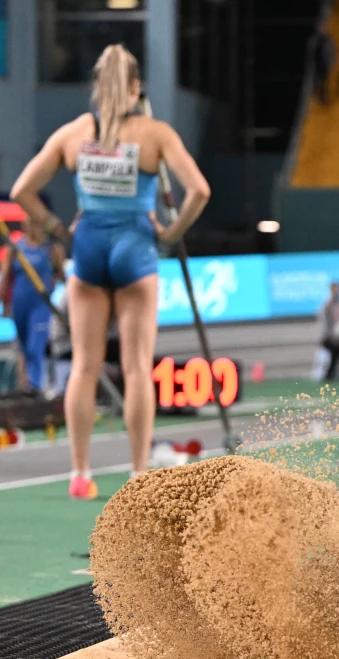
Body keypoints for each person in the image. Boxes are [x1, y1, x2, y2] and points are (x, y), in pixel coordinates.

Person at [11, 44, 210, 500]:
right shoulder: (155, 133)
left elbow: (23, 190)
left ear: (97, 88)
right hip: (136, 249)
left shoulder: (77, 132)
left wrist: (58, 230)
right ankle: (138, 472)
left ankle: (79, 473)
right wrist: (170, 233)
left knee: (83, 367)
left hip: (89, 248)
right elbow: (199, 189)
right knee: (138, 368)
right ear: (136, 87)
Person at [0, 216, 64, 392]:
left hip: (41, 304)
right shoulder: (15, 249)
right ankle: (25, 387)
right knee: (23, 347)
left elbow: (62, 275)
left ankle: (35, 387)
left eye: (35, 224)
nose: (32, 228)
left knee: (35, 345)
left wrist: (53, 285)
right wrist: (4, 302)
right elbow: (6, 278)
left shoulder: (52, 249)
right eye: (28, 225)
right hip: (19, 303)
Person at [318, 280, 339, 382]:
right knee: (334, 351)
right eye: (334, 289)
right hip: (330, 338)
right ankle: (329, 374)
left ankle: (337, 373)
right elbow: (325, 323)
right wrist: (332, 335)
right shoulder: (327, 306)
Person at [311, 18, 335, 105]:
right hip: (317, 64)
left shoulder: (328, 40)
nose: (323, 29)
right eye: (321, 28)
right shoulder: (315, 40)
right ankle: (316, 95)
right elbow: (311, 52)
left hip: (324, 64)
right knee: (317, 80)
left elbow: (331, 51)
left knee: (324, 81)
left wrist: (331, 62)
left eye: (324, 27)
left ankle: (322, 97)